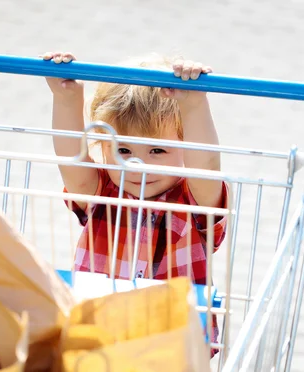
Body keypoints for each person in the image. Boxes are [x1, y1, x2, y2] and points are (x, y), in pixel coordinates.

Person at [42, 51, 228, 284]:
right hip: (103, 316)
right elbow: (71, 159)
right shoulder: (102, 193)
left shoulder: (193, 200)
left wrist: (195, 105)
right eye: (123, 151)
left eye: (157, 151)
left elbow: (205, 167)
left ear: (186, 146)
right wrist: (66, 99)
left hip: (171, 319)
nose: (138, 166)